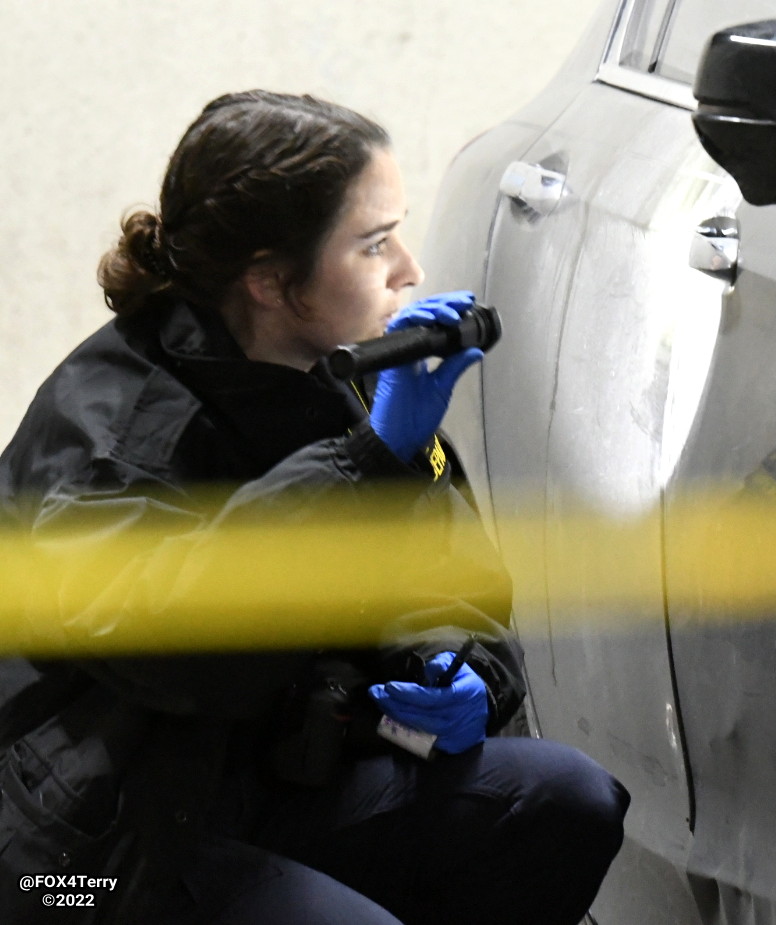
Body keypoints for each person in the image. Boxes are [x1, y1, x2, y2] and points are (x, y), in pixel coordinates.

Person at [0, 90, 628, 925]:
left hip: (268, 782)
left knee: (563, 800)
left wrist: (456, 663)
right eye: (373, 244)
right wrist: (364, 458)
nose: (409, 267)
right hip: (89, 853)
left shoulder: (346, 375)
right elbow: (182, 647)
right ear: (270, 279)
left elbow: (446, 570)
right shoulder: (114, 431)